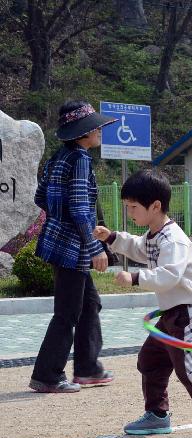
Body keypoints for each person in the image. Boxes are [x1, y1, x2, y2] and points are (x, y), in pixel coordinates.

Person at [93, 169, 192, 438]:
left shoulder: (173, 239)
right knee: (150, 360)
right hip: (171, 314)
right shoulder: (153, 235)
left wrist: (136, 277)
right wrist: (112, 237)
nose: (130, 212)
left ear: (155, 206)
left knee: (189, 368)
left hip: (190, 312)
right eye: (128, 207)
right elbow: (138, 247)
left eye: (133, 207)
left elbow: (169, 275)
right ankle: (157, 415)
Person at [29, 100, 117, 393]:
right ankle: (47, 375)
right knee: (67, 312)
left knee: (90, 304)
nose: (100, 131)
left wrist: (58, 218)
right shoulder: (79, 159)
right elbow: (80, 208)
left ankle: (88, 368)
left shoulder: (58, 157)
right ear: (84, 133)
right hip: (73, 247)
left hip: (59, 240)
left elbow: (40, 197)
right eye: (96, 128)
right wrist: (94, 247)